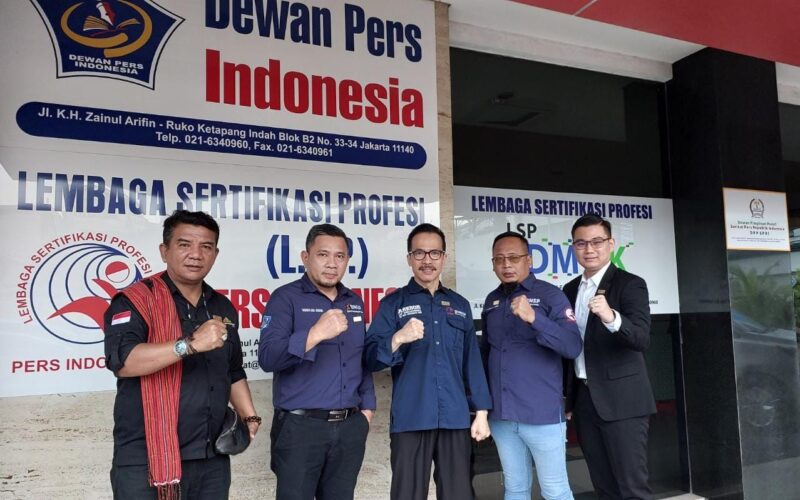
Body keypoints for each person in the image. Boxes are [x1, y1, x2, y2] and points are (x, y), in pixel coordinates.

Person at [104, 210, 260, 499]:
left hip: (211, 455)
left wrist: (250, 417)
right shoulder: (136, 300)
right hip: (145, 458)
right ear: (164, 251)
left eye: (206, 246)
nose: (196, 255)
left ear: (216, 254)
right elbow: (123, 361)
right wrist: (188, 345)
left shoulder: (222, 306)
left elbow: (233, 370)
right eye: (184, 244)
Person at [365, 223, 492, 500]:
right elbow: (370, 358)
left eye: (435, 253)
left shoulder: (459, 305)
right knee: (407, 494)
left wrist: (481, 413)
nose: (427, 260)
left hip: (455, 417)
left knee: (459, 494)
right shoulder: (393, 304)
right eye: (419, 253)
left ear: (444, 258)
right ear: (409, 258)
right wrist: (398, 337)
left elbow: (472, 362)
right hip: (411, 417)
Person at [258, 223, 375, 500]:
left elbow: (360, 359)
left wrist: (367, 410)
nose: (332, 264)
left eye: (340, 256)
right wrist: (315, 334)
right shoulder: (285, 298)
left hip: (350, 427)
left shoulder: (353, 301)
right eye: (323, 255)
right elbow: (268, 358)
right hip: (300, 428)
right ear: (305, 257)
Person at [482, 231, 583, 500]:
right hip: (502, 416)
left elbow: (572, 346)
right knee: (515, 488)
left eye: (514, 257)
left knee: (555, 490)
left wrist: (534, 318)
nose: (506, 264)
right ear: (493, 264)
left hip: (542, 415)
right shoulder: (492, 301)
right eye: (499, 259)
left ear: (529, 260)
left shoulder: (551, 296)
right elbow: (486, 354)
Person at [563, 214, 656, 500]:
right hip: (585, 401)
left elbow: (641, 338)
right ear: (573, 247)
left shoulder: (630, 284)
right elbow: (571, 348)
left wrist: (611, 317)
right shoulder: (569, 289)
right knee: (603, 487)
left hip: (623, 401)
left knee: (632, 488)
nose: (589, 249)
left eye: (597, 242)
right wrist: (568, 399)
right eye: (581, 243)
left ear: (611, 244)